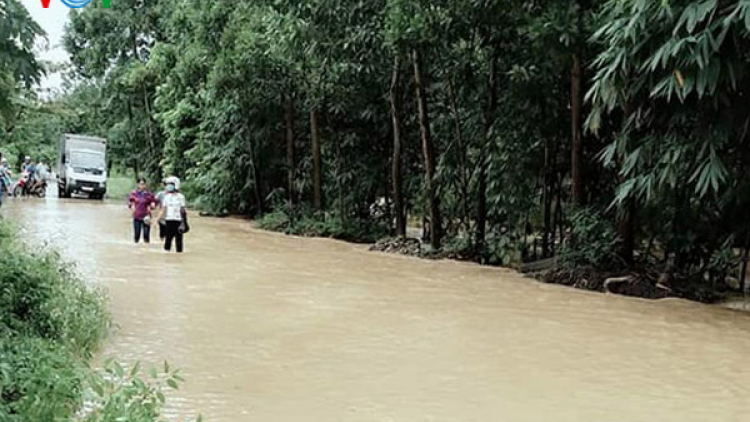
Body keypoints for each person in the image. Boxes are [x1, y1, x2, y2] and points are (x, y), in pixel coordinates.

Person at [156, 176, 187, 253]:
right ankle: (167, 254)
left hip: (178, 221)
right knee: (168, 239)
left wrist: (184, 223)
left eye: (170, 184)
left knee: (179, 241)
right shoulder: (166, 197)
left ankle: (179, 256)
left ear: (176, 185)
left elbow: (183, 210)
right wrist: (156, 220)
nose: (168, 186)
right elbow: (163, 210)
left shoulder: (181, 197)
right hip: (169, 220)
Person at [127, 178, 157, 244]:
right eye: (141, 184)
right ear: (138, 185)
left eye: (143, 184)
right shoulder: (134, 194)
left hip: (146, 217)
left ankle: (146, 248)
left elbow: (154, 203)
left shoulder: (149, 194)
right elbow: (130, 202)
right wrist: (131, 206)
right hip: (137, 217)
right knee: (137, 235)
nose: (142, 186)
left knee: (146, 235)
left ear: (145, 185)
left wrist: (153, 205)